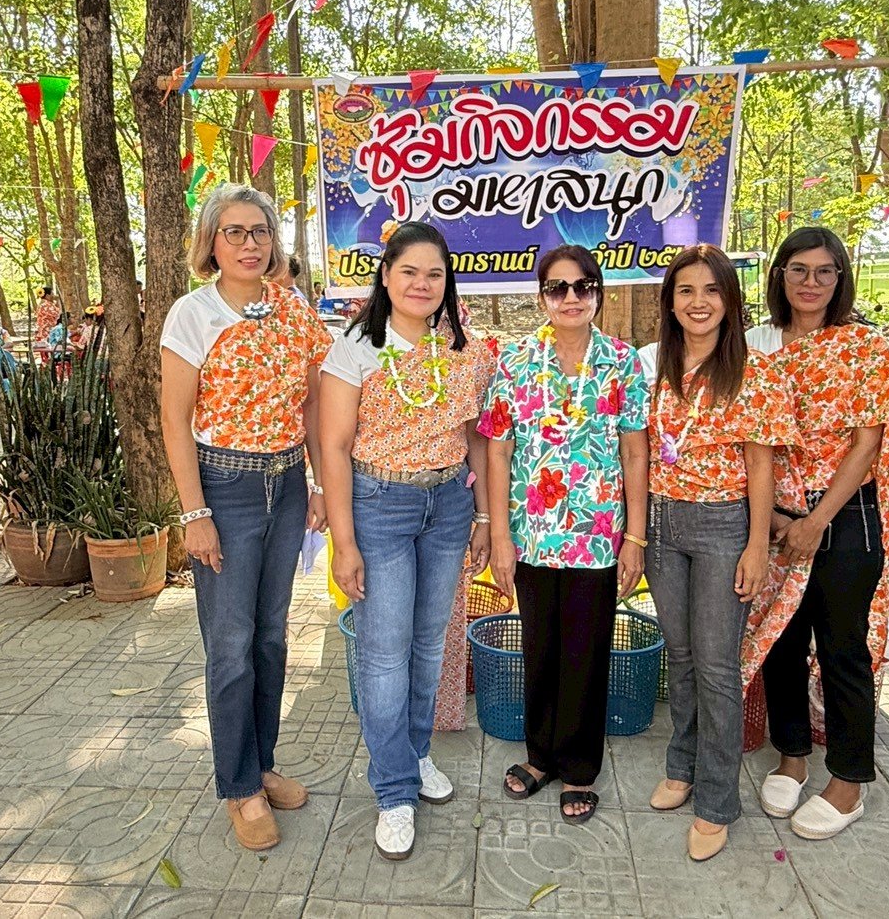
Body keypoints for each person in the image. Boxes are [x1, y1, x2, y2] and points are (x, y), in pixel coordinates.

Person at [159, 185, 332, 853]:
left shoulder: (292, 308)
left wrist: (316, 482)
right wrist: (194, 512)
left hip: (285, 484)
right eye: (233, 232)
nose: (248, 244)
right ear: (211, 242)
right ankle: (238, 787)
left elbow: (311, 403)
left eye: (259, 231)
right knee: (230, 644)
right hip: (224, 489)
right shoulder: (193, 314)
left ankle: (260, 764)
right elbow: (174, 420)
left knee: (270, 639)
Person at [319, 222, 495, 861]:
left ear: (448, 282)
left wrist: (482, 517)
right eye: (409, 272)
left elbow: (475, 435)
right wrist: (345, 543)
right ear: (386, 276)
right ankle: (393, 790)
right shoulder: (356, 347)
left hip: (448, 506)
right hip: (380, 507)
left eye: (435, 274)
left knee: (430, 644)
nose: (422, 284)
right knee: (385, 653)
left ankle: (415, 754)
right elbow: (334, 447)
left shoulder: (462, 346)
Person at [743, 226, 889, 842]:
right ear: (779, 275)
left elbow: (868, 443)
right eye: (799, 270)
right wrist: (777, 520)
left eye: (824, 271)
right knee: (782, 638)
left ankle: (848, 782)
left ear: (841, 279)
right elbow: (747, 438)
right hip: (774, 513)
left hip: (846, 514)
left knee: (842, 647)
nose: (811, 282)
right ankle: (792, 757)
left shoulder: (864, 347)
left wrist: (815, 521)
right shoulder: (756, 346)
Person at [638, 245, 799, 861]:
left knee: (715, 665)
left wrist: (756, 545)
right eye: (685, 290)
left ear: (730, 300)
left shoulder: (754, 372)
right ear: (670, 301)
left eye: (711, 290)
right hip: (662, 523)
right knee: (679, 655)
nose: (698, 302)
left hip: (722, 527)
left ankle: (716, 800)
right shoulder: (656, 365)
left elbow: (761, 467)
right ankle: (681, 766)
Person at [480, 245, 649, 825]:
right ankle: (540, 756)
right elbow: (498, 453)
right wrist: (501, 537)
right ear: (542, 297)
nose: (571, 297)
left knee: (587, 651)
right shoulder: (515, 362)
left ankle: (578, 767)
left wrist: (635, 538)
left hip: (598, 538)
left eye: (582, 286)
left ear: (597, 292)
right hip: (531, 537)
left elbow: (635, 453)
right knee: (540, 647)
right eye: (557, 287)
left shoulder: (622, 363)